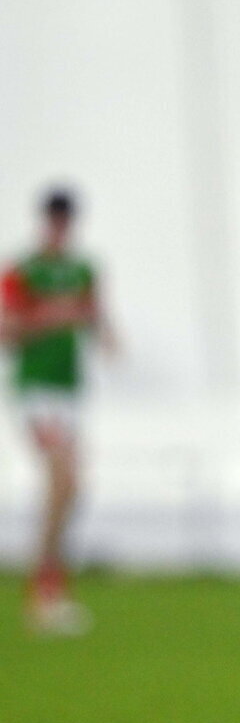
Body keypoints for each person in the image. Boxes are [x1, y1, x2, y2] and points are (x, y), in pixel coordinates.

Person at [1, 187, 111, 635]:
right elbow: (8, 332)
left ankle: (50, 585)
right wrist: (54, 315)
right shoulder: (23, 270)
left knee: (72, 488)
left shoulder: (84, 268)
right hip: (37, 388)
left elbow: (95, 319)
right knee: (62, 480)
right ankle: (45, 591)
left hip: (69, 390)